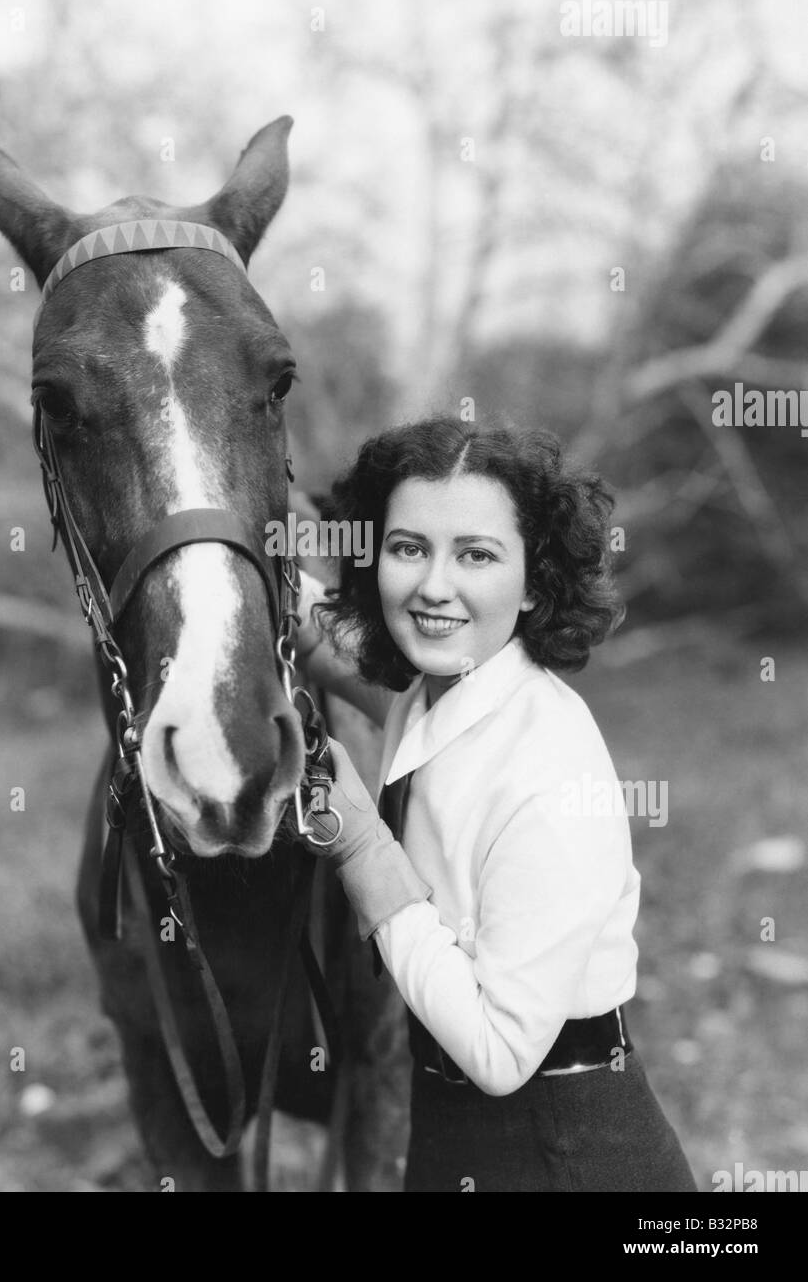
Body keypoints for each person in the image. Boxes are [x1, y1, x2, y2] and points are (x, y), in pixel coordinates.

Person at [294, 416, 696, 1193]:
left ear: (536, 581)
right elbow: (361, 673)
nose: (433, 586)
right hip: (458, 1140)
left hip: (558, 1150)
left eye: (475, 555)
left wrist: (361, 850)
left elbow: (500, 1055)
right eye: (408, 548)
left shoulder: (547, 771)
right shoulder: (444, 692)